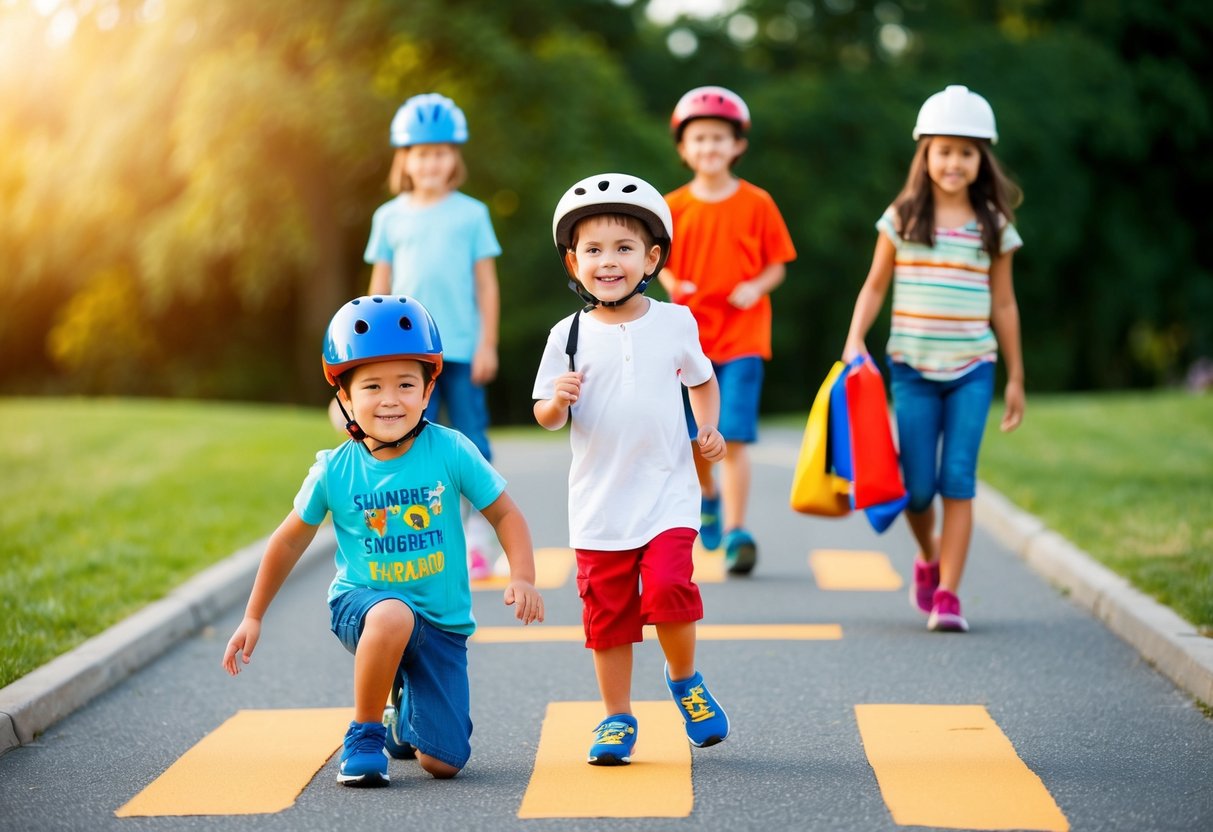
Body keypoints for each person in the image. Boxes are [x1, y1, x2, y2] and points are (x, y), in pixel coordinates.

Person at [223, 295, 544, 787]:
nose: (390, 399)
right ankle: (365, 734)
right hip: (363, 606)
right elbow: (288, 542)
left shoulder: (451, 449)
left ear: (428, 390)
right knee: (392, 614)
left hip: (441, 622)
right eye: (372, 386)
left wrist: (523, 575)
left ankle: (402, 713)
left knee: (443, 762)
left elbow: (504, 512)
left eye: (405, 384)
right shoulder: (335, 469)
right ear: (345, 399)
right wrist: (253, 614)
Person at [533, 172, 731, 766]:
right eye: (593, 250)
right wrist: (557, 402)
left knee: (671, 587)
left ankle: (685, 682)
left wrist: (708, 427)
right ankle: (617, 717)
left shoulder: (675, 322)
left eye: (623, 248)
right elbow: (544, 415)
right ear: (574, 262)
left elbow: (702, 379)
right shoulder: (566, 335)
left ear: (651, 258)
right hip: (598, 507)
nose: (608, 261)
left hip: (667, 493)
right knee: (609, 620)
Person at [842, 85, 1025, 633]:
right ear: (925, 154)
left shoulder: (993, 224)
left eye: (966, 152)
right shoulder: (902, 216)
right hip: (912, 370)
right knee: (918, 488)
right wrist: (855, 339)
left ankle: (948, 594)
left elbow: (1005, 303)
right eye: (944, 150)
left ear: (981, 160)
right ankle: (928, 558)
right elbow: (875, 286)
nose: (954, 162)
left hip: (974, 368)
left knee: (958, 479)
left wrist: (1016, 376)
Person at [658, 85, 797, 576]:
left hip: (742, 338)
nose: (710, 148)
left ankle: (738, 531)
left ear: (737, 145)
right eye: (700, 139)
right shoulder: (671, 207)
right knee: (697, 437)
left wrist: (756, 286)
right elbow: (655, 263)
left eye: (719, 138)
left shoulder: (757, 203)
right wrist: (675, 280)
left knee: (732, 436)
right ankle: (709, 497)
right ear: (683, 149)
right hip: (689, 342)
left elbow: (778, 264)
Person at [365, 92, 503, 580]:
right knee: (406, 438)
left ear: (455, 159)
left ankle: (480, 535)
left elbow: (485, 283)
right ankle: (413, 535)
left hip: (463, 348)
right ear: (405, 159)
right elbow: (378, 290)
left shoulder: (471, 214)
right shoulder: (389, 217)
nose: (431, 162)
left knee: (470, 440)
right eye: (422, 153)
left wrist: (488, 342)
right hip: (406, 355)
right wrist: (368, 355)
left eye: (441, 152)